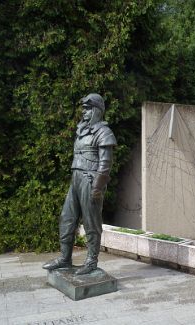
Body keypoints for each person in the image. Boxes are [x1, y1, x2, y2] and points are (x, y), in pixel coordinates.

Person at [43, 93, 116, 275]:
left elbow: (105, 163)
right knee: (66, 218)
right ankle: (65, 259)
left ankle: (91, 261)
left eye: (88, 109)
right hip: (75, 179)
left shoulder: (104, 132)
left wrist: (98, 187)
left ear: (98, 111)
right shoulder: (81, 131)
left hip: (90, 180)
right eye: (83, 108)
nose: (84, 112)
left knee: (91, 222)